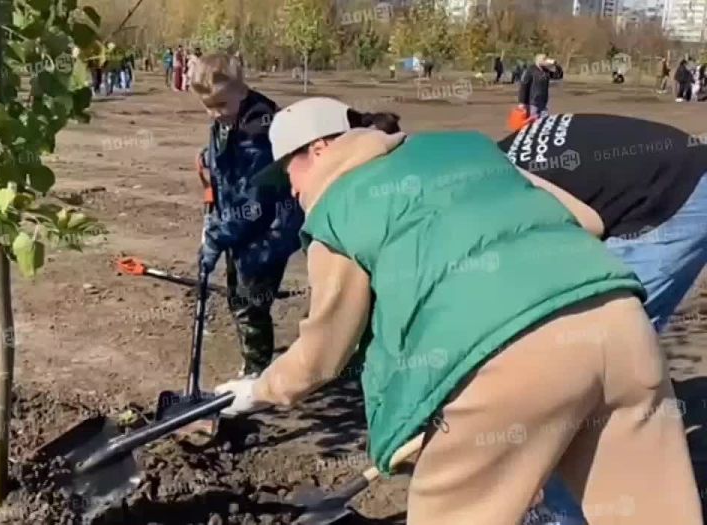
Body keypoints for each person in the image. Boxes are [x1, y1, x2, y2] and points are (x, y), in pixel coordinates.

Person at [213, 97, 702, 525]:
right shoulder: (466, 148)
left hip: (507, 359)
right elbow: (586, 219)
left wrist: (258, 391)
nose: (290, 189)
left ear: (319, 149)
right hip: (620, 327)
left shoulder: (337, 212)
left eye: (288, 173)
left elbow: (322, 356)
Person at [500, 113, 707, 523]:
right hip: (668, 176)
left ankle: (562, 513)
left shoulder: (496, 199)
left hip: (674, 200)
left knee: (590, 364)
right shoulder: (488, 163)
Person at [189, 54, 304, 377]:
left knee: (251, 302)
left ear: (243, 90)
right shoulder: (229, 117)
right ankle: (254, 359)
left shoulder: (259, 133)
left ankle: (256, 374)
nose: (215, 114)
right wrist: (210, 159)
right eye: (208, 107)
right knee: (237, 295)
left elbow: (253, 204)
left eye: (221, 105)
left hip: (270, 230)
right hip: (240, 225)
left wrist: (215, 239)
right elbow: (226, 167)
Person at [518, 53, 563, 118]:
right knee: (533, 122)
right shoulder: (530, 70)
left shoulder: (545, 71)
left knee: (543, 121)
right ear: (538, 60)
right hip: (533, 102)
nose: (546, 61)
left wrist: (556, 65)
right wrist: (522, 102)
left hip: (543, 101)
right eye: (544, 59)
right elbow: (524, 86)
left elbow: (558, 76)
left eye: (546, 59)